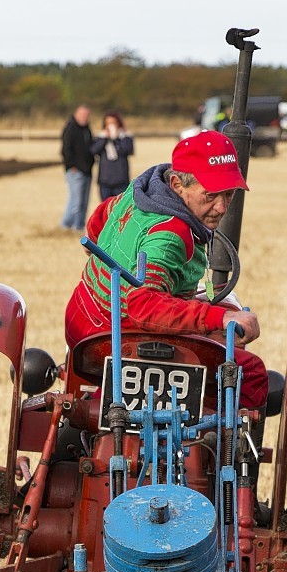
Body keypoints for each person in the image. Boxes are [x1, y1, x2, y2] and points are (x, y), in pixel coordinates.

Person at [63, 130, 269, 411]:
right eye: (210, 195)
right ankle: (218, 445)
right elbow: (144, 306)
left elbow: (100, 218)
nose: (221, 207)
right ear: (177, 184)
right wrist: (221, 317)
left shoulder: (142, 190)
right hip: (119, 340)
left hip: (82, 322)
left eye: (229, 195)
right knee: (250, 372)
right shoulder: (171, 234)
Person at [60, 105, 95, 229]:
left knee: (84, 202)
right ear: (76, 114)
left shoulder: (87, 129)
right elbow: (65, 150)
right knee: (76, 201)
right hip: (76, 171)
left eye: (87, 115)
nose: (85, 117)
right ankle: (66, 225)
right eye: (82, 115)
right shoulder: (70, 128)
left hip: (87, 171)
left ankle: (79, 225)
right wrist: (71, 166)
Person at [90, 110, 135, 202]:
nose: (110, 126)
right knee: (105, 208)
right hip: (105, 180)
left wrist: (116, 139)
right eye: (108, 123)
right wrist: (105, 139)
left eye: (113, 123)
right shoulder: (101, 137)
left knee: (120, 209)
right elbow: (94, 150)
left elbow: (128, 150)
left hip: (121, 180)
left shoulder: (125, 136)